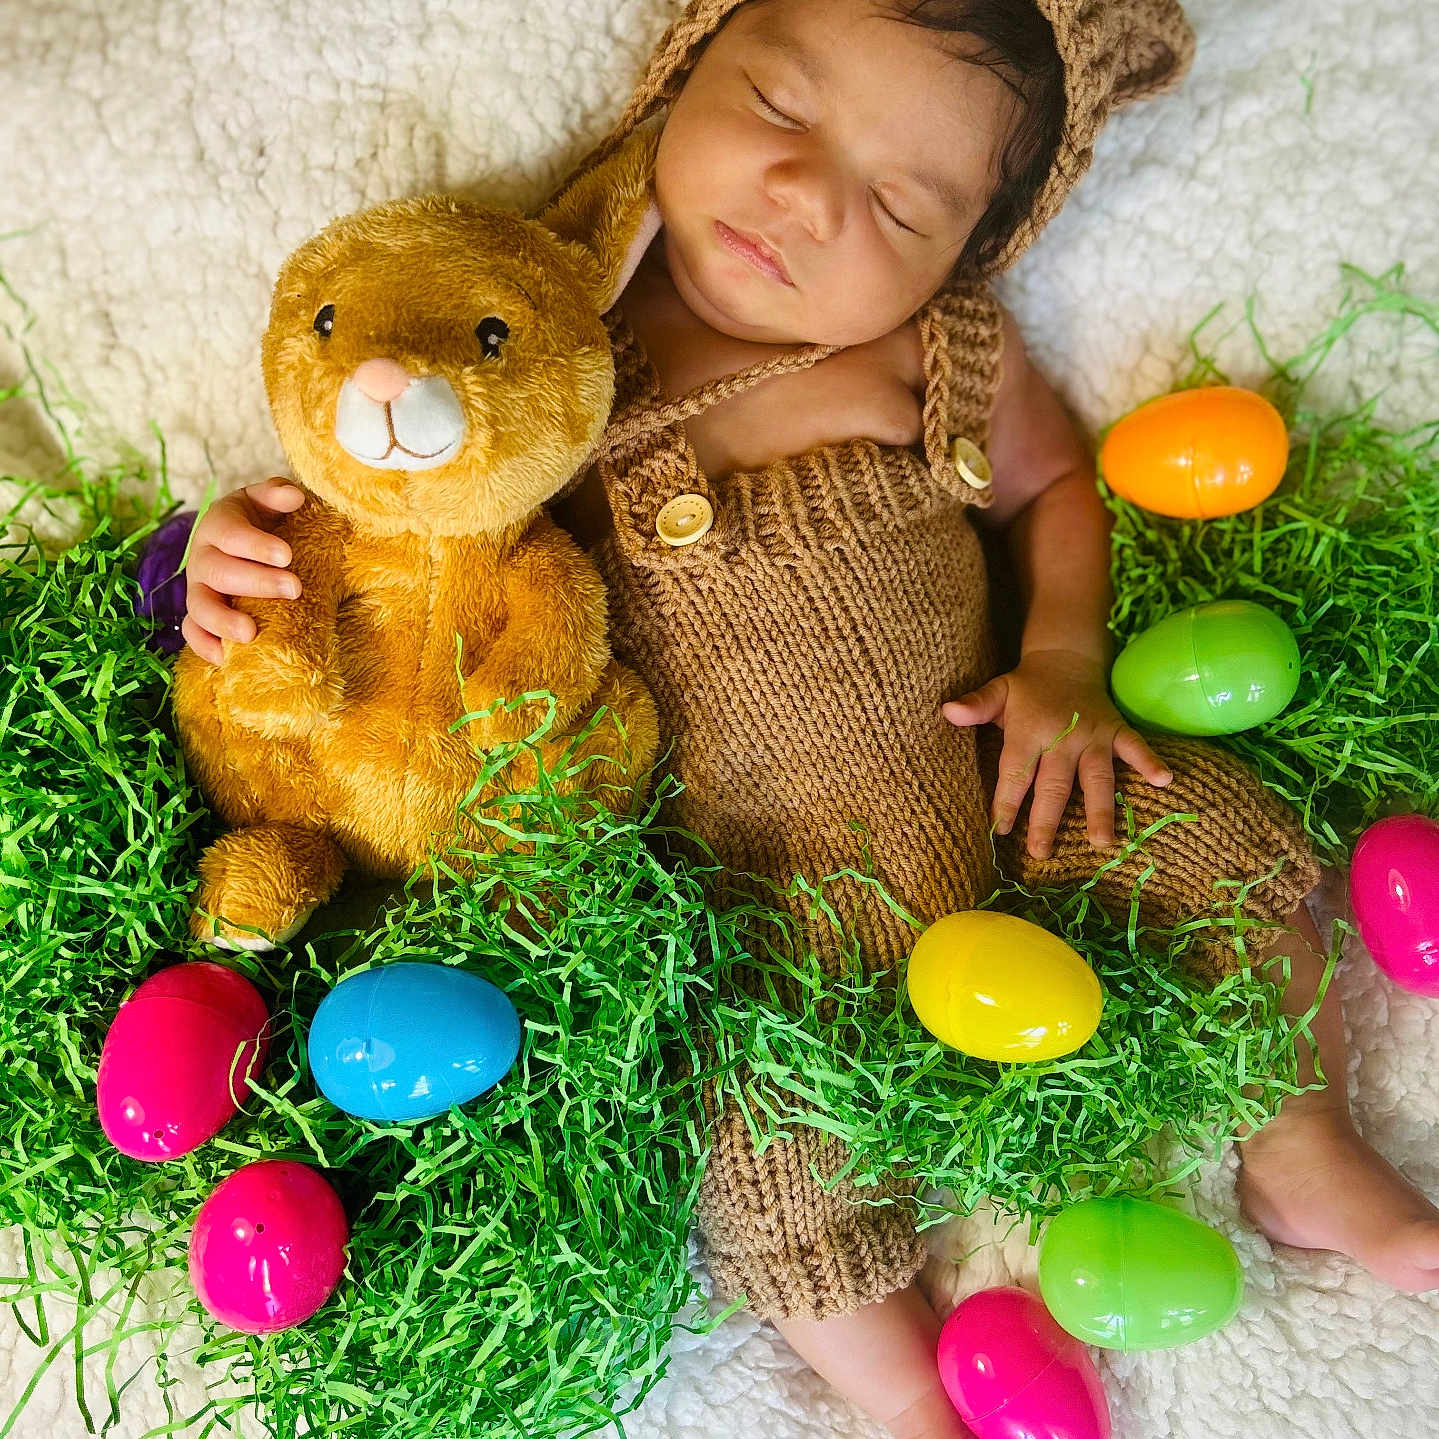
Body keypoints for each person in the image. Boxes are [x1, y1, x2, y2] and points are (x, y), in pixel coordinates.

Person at [178, 2, 1439, 1433]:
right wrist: (243, 548)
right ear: (677, 81)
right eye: (778, 106)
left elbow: (1048, 490)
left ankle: (1302, 1134)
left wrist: (1069, 662)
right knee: (756, 1164)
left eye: (900, 202)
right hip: (762, 903)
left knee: (1230, 848)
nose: (808, 196)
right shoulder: (536, 358)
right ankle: (905, 1394)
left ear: (965, 253)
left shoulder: (941, 352)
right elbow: (386, 508)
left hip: (1000, 790)